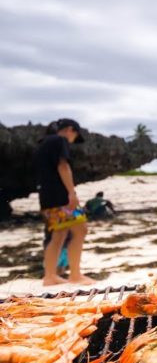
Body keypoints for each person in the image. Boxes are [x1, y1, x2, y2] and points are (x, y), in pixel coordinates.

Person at [34, 118, 95, 286]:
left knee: (58, 235)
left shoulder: (43, 144)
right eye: (75, 136)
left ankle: (50, 276)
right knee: (80, 229)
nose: (73, 140)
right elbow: (63, 166)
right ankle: (75, 274)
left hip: (46, 196)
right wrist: (71, 193)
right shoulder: (60, 140)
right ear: (70, 129)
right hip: (60, 196)